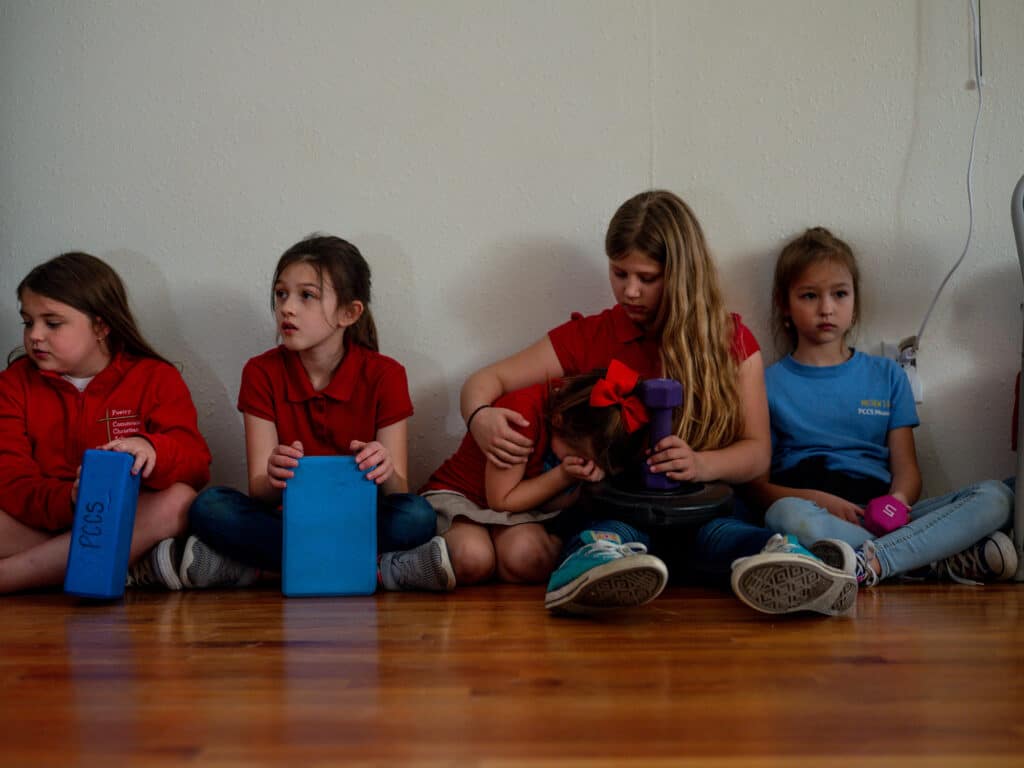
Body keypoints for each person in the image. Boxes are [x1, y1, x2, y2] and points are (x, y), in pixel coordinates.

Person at [459, 190, 854, 615]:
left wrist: (701, 464)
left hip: (701, 509)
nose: (630, 291)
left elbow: (757, 455)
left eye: (647, 278)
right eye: (619, 273)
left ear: (683, 274)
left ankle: (782, 561)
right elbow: (487, 379)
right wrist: (479, 415)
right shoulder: (590, 337)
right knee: (605, 534)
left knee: (726, 536)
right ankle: (595, 569)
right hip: (615, 509)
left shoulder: (732, 343)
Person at [736, 227, 1016, 612]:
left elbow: (908, 472)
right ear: (784, 304)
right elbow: (757, 488)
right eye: (809, 296)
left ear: (855, 301)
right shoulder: (767, 383)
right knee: (783, 515)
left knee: (997, 496)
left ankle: (873, 562)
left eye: (839, 294)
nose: (826, 309)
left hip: (887, 516)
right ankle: (929, 562)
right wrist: (819, 500)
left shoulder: (887, 376)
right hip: (813, 510)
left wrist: (896, 504)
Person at [184, 235, 436, 588]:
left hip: (357, 517)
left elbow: (397, 493)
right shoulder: (261, 372)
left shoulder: (386, 375)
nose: (287, 308)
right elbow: (260, 491)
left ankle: (260, 571)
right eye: (281, 294)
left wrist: (385, 466)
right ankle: (376, 569)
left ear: (349, 313)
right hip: (291, 520)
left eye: (307, 296)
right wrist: (275, 474)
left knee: (417, 516)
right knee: (209, 507)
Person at [0, 252, 210, 593]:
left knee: (181, 501)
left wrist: (152, 450)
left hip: (120, 520)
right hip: (43, 518)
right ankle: (120, 562)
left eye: (52, 323)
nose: (35, 335)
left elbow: (196, 463)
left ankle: (12, 576)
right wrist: (69, 499)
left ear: (101, 326)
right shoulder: (12, 385)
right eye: (28, 322)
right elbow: (10, 478)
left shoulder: (155, 378)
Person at [387, 361, 654, 592]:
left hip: (522, 509)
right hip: (466, 499)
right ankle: (397, 565)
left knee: (530, 559)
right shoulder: (521, 416)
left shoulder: (581, 434)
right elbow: (501, 500)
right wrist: (563, 476)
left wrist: (578, 485)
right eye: (582, 459)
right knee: (473, 559)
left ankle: (583, 560)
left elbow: (546, 503)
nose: (585, 467)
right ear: (559, 421)